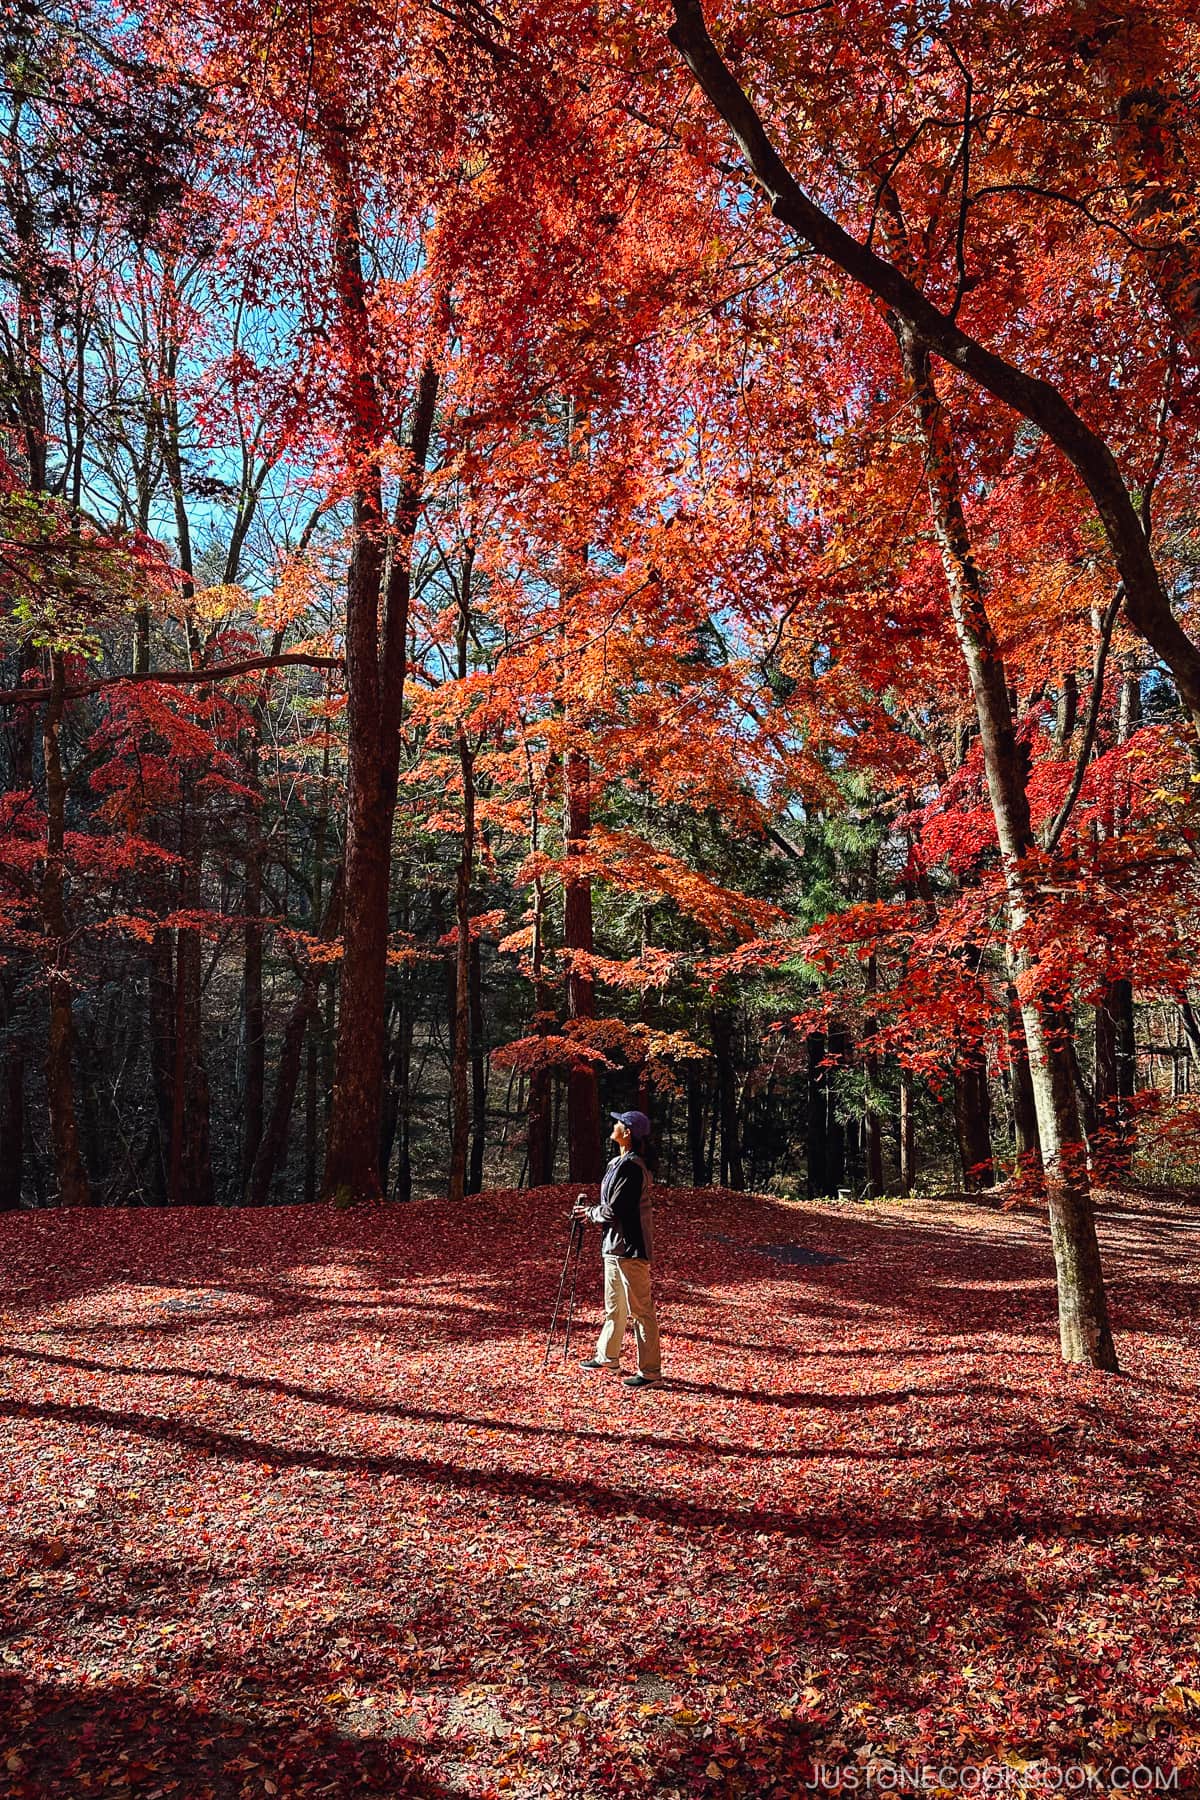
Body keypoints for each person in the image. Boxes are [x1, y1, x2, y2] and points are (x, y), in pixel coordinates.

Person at [573, 1110, 662, 1389]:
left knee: (641, 1311)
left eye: (619, 1123)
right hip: (614, 1247)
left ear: (628, 1132)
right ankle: (608, 1356)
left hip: (630, 1249)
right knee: (614, 1308)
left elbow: (615, 1210)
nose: (613, 1125)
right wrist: (591, 1212)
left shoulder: (631, 1168)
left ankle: (650, 1372)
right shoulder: (617, 1162)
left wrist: (590, 1213)